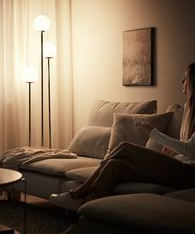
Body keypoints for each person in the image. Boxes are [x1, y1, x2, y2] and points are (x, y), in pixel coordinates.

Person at [50, 62, 195, 210]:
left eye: (186, 78)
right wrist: (174, 153)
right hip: (180, 166)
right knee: (114, 166)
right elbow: (189, 149)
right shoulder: (188, 111)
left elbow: (189, 150)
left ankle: (77, 194)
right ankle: (89, 214)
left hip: (189, 174)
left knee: (125, 147)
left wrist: (152, 133)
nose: (182, 82)